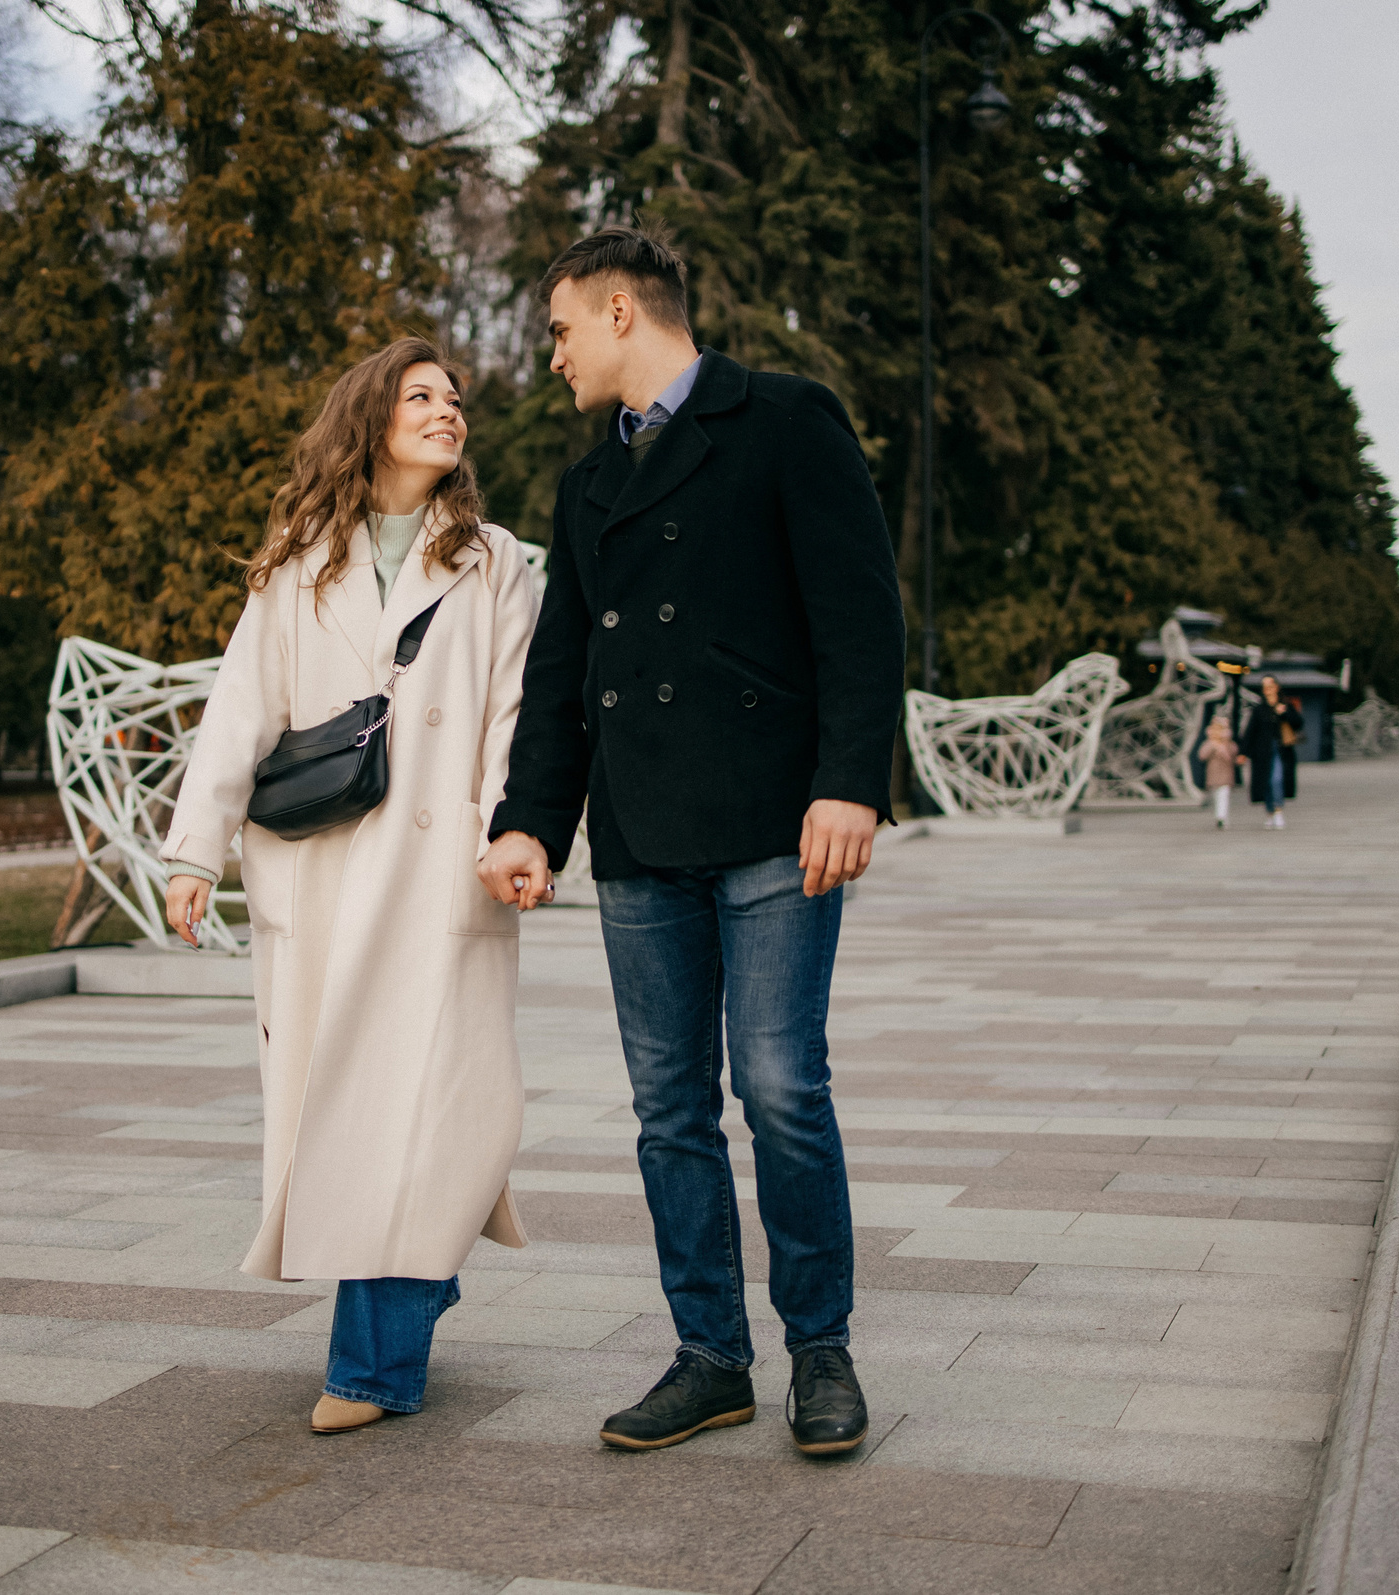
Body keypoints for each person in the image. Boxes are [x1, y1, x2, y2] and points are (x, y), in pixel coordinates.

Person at [477, 226, 904, 1458]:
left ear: (621, 311)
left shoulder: (784, 419)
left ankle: (820, 1350)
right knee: (668, 1107)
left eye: (559, 330)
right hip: (643, 837)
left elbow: (860, 618)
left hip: (778, 822)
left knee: (779, 1090)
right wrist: (526, 821)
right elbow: (567, 673)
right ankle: (710, 1357)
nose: (550, 356)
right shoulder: (585, 482)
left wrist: (849, 784)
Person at [159, 337, 543, 1435]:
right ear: (368, 417)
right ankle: (409, 1297)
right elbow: (242, 710)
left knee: (436, 1117)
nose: (447, 410)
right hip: (318, 873)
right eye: (421, 395)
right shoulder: (296, 559)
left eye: (455, 397)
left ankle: (372, 1368)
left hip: (439, 880)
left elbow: (514, 714)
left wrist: (512, 834)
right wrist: (195, 852)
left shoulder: (493, 559)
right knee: (355, 1118)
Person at [1242, 675, 1301, 830]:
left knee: (1277, 779)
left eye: (1270, 686)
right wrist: (1243, 752)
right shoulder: (1259, 709)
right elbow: (1250, 731)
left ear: (1276, 687)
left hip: (1281, 750)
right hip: (1262, 752)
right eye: (1264, 687)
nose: (1267, 690)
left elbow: (1298, 724)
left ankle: (1278, 810)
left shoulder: (1285, 705)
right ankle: (1270, 812)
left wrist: (1284, 713)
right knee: (1266, 782)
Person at [1199, 716, 1239, 828]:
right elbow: (1202, 755)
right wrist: (1213, 745)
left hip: (1226, 775)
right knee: (1217, 796)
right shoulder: (1209, 744)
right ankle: (1219, 815)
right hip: (1213, 775)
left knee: (1223, 795)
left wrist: (1225, 742)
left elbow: (1233, 754)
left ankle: (1222, 817)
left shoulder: (1228, 744)